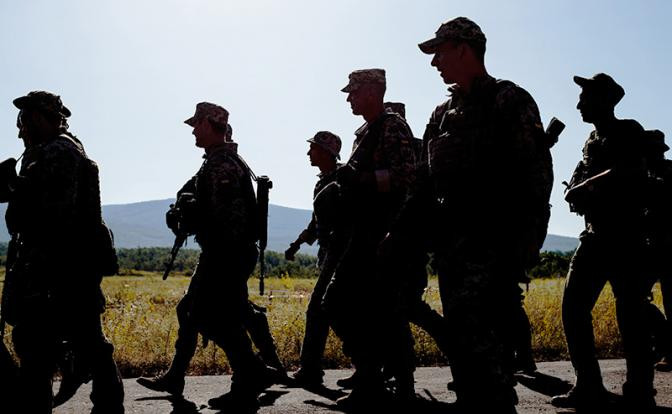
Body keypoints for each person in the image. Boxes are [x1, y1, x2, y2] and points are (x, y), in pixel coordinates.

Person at [385, 17, 553, 412]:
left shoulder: (508, 100)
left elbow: (537, 173)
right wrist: (399, 235)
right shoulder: (442, 112)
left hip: (495, 246)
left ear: (463, 49)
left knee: (488, 345)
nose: (434, 62)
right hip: (452, 248)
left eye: (439, 52)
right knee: (462, 341)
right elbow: (423, 183)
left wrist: (527, 240)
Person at [136, 103, 281, 412]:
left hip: (227, 253)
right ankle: (182, 377)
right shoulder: (217, 161)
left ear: (209, 124)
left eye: (196, 125)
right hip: (222, 252)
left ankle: (252, 374)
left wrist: (193, 216)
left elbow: (229, 219)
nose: (193, 131)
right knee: (193, 310)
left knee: (211, 317)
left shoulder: (222, 165)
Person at [0, 91, 125, 413]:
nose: (20, 131)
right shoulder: (55, 150)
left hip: (59, 265)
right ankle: (107, 405)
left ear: (40, 118)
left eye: (24, 121)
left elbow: (54, 212)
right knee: (85, 340)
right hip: (65, 263)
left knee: (39, 344)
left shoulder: (58, 152)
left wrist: (15, 188)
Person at [551, 73, 659, 411]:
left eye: (585, 98)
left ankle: (640, 391)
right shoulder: (591, 139)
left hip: (627, 238)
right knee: (573, 309)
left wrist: (589, 187)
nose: (579, 104)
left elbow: (632, 169)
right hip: (595, 237)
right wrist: (575, 191)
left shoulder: (628, 130)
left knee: (632, 317)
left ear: (604, 100)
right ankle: (588, 385)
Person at [322, 68, 418, 410]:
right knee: (352, 308)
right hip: (363, 231)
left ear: (374, 92)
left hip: (385, 232)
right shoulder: (365, 132)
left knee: (380, 311)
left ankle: (385, 383)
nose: (349, 98)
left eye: (354, 92)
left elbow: (406, 176)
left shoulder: (392, 127)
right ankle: (372, 376)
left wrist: (362, 179)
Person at [284, 131, 344, 388]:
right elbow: (315, 223)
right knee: (332, 310)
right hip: (329, 253)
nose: (309, 153)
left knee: (320, 308)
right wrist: (297, 244)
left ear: (327, 152)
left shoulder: (343, 179)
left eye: (314, 149)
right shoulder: (322, 183)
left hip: (342, 255)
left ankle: (311, 369)